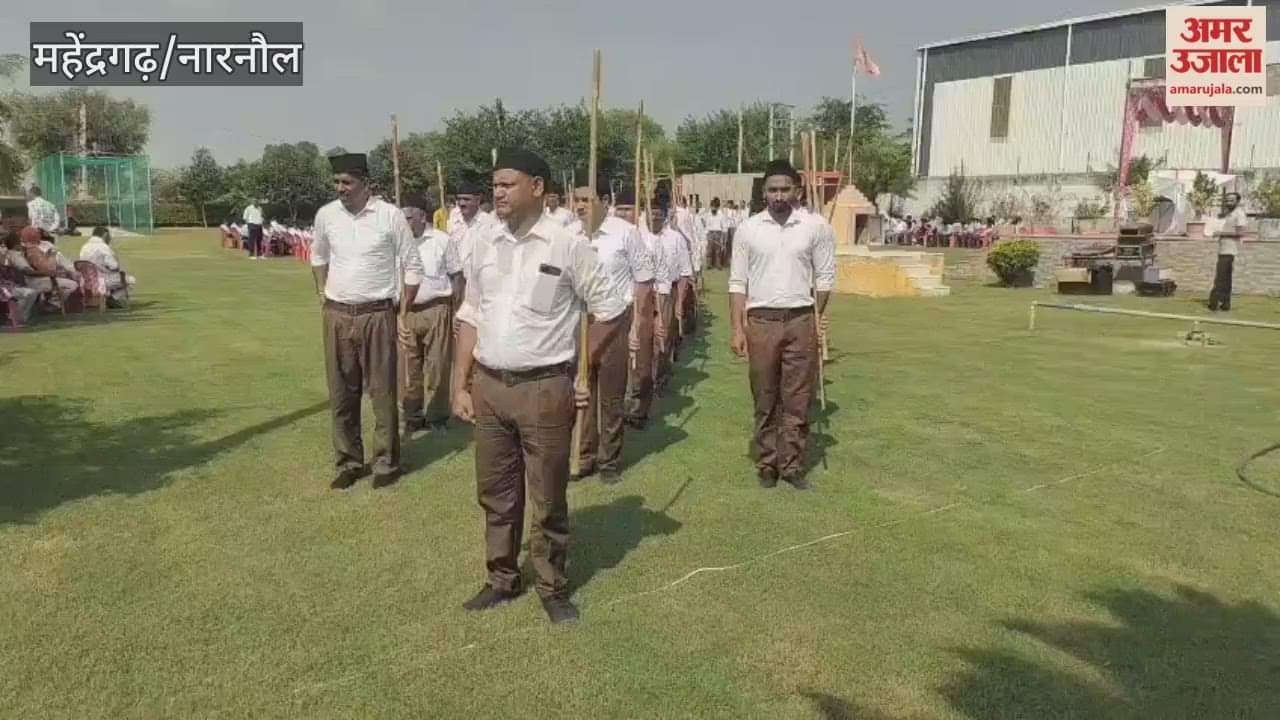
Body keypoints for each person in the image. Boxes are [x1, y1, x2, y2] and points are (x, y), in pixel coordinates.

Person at [451, 148, 627, 625]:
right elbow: (471, 313)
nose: (498, 192)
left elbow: (611, 307)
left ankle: (552, 586)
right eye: (495, 184)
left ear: (537, 188)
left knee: (548, 495)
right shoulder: (484, 240)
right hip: (489, 385)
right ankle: (501, 578)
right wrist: (459, 381)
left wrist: (581, 366)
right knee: (496, 492)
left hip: (546, 389)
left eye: (508, 183)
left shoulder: (567, 244)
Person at [310, 153, 425, 490]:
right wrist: (321, 292)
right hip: (337, 314)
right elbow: (318, 256)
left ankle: (387, 462)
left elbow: (412, 266)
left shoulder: (389, 216)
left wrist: (402, 313)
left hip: (378, 314)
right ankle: (349, 461)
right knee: (342, 393)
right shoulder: (326, 215)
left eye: (347, 183)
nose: (340, 189)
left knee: (382, 391)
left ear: (365, 184)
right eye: (336, 183)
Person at [729, 160, 835, 491]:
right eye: (772, 189)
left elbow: (826, 276)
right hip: (760, 321)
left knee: (797, 397)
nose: (778, 195)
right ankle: (767, 463)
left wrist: (815, 316)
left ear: (797, 191)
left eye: (784, 189)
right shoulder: (749, 229)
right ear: (764, 192)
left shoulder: (815, 227)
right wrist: (737, 328)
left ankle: (791, 464)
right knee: (764, 395)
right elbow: (737, 283)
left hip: (800, 317)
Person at [571, 186, 654, 480]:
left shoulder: (625, 233)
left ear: (605, 202)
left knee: (611, 394)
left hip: (616, 319)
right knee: (581, 390)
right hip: (581, 321)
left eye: (587, 200)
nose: (581, 206)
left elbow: (643, 280)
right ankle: (583, 456)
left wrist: (637, 325)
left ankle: (609, 460)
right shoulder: (571, 234)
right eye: (577, 200)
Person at [399, 195, 460, 434]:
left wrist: (456, 310)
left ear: (422, 217)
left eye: (409, 218)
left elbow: (456, 276)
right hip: (406, 311)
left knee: (438, 366)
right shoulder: (398, 242)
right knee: (408, 368)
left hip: (437, 309)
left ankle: (437, 418)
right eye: (402, 219)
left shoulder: (441, 240)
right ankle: (412, 417)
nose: (404, 223)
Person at [1208, 192, 1248, 313]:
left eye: (1231, 200)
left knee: (1221, 277)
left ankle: (1215, 302)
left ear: (1237, 201)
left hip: (1230, 250)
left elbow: (1241, 233)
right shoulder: (1227, 214)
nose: (1228, 202)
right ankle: (1225, 303)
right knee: (1225, 277)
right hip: (1223, 248)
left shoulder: (1239, 214)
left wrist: (1221, 233)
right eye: (1227, 200)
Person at [79, 226, 136, 306]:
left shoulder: (84, 247)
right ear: (105, 235)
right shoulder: (104, 247)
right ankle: (113, 298)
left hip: (86, 281)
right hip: (102, 280)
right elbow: (114, 267)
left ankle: (109, 297)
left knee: (114, 277)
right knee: (131, 280)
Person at [0, 230, 39, 325]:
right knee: (29, 293)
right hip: (4, 287)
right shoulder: (10, 255)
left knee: (31, 293)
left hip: (8, 285)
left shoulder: (8, 255)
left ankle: (18, 318)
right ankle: (16, 318)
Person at [703, 198, 729, 269]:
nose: (713, 208)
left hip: (718, 233)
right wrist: (707, 234)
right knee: (709, 250)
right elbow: (707, 225)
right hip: (710, 233)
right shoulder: (708, 214)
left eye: (715, 207)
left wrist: (724, 235)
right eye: (712, 207)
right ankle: (709, 264)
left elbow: (724, 226)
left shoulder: (721, 215)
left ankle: (718, 264)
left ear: (717, 207)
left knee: (718, 250)